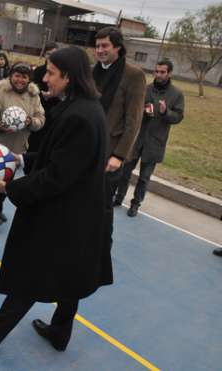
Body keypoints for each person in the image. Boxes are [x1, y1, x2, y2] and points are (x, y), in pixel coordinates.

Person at [0, 46, 112, 351]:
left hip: (65, 214)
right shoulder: (84, 107)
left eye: (51, 73)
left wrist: (9, 188)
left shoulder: (80, 115)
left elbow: (57, 175)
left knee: (31, 272)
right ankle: (60, 331)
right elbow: (61, 155)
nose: (46, 78)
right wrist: (22, 158)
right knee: (72, 273)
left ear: (68, 76)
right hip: (80, 213)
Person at [93, 27, 145, 251]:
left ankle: (103, 245)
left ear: (118, 47)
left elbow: (134, 120)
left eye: (105, 46)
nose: (100, 50)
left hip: (110, 153)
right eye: (97, 46)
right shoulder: (91, 71)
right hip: (88, 147)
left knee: (103, 205)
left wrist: (119, 155)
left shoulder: (134, 75)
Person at [114, 59, 185, 217]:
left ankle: (135, 204)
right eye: (156, 71)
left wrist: (166, 112)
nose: (158, 75)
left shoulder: (177, 94)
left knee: (144, 178)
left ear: (169, 73)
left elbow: (179, 117)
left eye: (162, 72)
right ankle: (119, 197)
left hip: (155, 142)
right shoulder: (145, 89)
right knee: (125, 171)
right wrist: (144, 110)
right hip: (137, 139)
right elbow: (132, 109)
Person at [0, 62, 45, 227]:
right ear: (11, 76)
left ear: (29, 79)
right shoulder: (0, 93)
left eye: (24, 77)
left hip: (18, 148)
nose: (20, 80)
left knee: (7, 180)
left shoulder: (34, 97)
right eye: (17, 75)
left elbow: (41, 119)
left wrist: (31, 122)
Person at [28, 42, 60, 153]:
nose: (51, 56)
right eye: (48, 53)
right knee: (34, 142)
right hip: (38, 109)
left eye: (54, 54)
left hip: (55, 111)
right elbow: (32, 89)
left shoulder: (62, 72)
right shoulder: (38, 71)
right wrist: (42, 94)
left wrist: (54, 95)